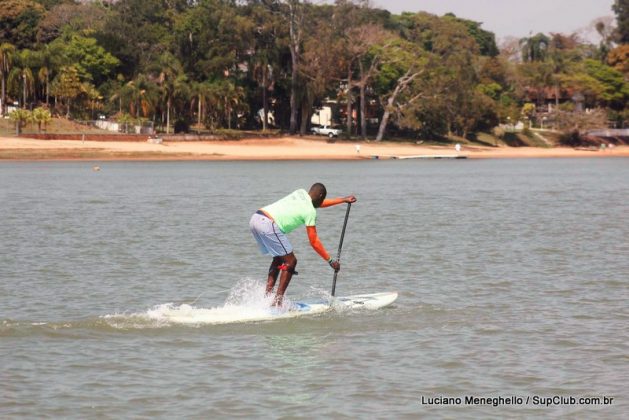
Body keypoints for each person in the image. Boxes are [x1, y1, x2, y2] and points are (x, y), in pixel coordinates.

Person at [249, 183, 356, 306]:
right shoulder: (310, 211)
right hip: (267, 224)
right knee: (291, 261)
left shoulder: (300, 193)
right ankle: (277, 303)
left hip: (256, 218)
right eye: (322, 199)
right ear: (321, 196)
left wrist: (343, 200)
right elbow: (314, 242)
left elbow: (317, 203)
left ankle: (267, 297)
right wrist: (331, 261)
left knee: (279, 258)